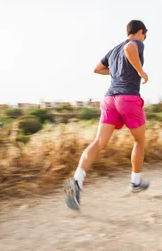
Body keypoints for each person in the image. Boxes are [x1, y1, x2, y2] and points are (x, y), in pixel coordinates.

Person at [64, 20, 150, 210]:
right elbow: (130, 48)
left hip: (109, 99)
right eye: (145, 35)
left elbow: (97, 68)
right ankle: (135, 182)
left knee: (98, 143)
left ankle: (77, 180)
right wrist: (140, 71)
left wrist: (119, 71)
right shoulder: (134, 43)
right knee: (139, 141)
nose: (144, 39)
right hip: (128, 98)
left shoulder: (113, 51)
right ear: (140, 32)